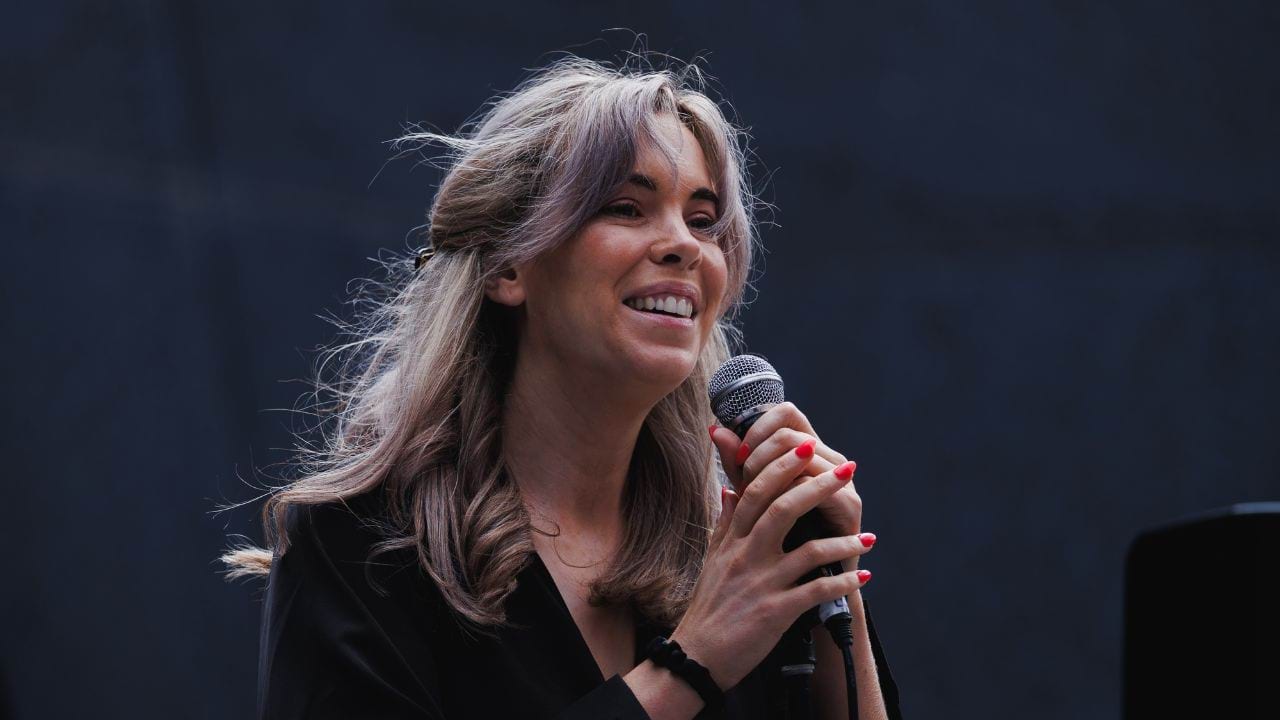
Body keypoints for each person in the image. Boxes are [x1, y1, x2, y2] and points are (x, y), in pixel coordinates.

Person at [223, 55, 903, 720]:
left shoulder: (733, 549)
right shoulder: (363, 550)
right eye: (626, 208)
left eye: (702, 219)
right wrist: (693, 663)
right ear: (508, 266)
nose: (685, 245)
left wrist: (827, 578)